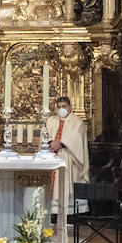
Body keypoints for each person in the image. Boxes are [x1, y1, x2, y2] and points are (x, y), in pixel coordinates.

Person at [44, 95, 90, 225]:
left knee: (67, 183)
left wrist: (62, 143)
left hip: (69, 157)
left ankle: (71, 215)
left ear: (70, 107)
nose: (61, 109)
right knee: (54, 185)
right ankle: (54, 213)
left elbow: (77, 138)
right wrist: (50, 142)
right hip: (53, 156)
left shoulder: (77, 122)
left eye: (64, 106)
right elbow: (45, 134)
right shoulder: (51, 120)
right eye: (58, 107)